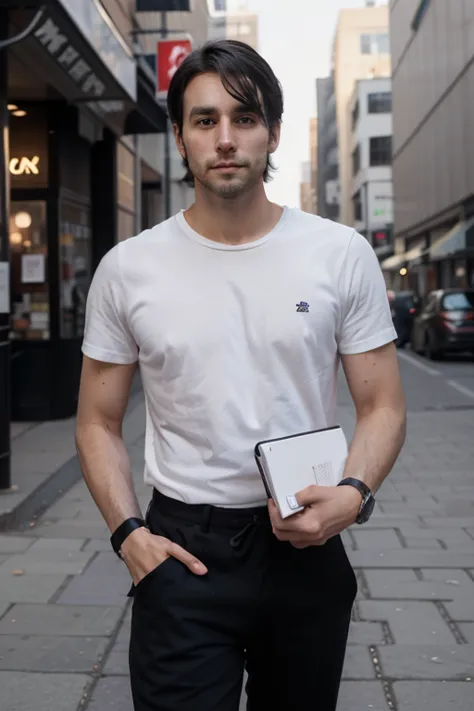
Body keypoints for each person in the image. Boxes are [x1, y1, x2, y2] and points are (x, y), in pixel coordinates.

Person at [76, 40, 406, 711]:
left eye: (244, 117)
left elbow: (383, 406)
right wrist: (127, 534)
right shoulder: (128, 268)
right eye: (204, 120)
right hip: (181, 549)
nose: (225, 139)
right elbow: (96, 420)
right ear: (178, 136)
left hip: (305, 539)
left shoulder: (340, 254)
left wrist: (355, 493)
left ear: (273, 132)